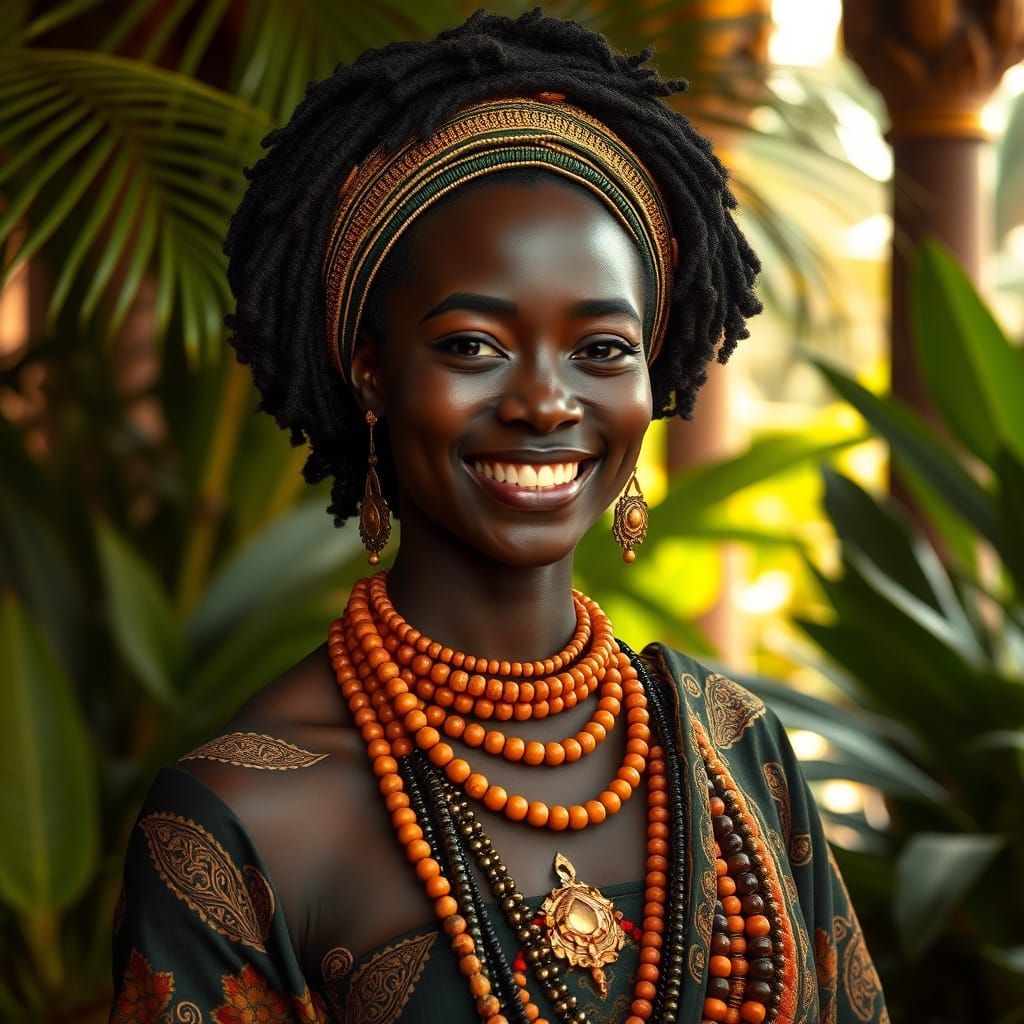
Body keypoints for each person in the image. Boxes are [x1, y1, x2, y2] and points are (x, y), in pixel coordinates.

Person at [109, 10, 888, 1024]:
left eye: (600, 349)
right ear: (372, 373)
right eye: (474, 345)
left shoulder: (738, 752)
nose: (546, 402)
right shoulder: (238, 819)